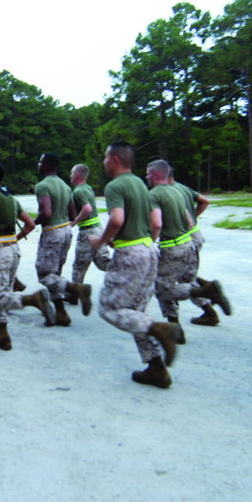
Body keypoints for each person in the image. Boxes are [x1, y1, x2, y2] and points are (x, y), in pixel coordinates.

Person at [92, 142, 182, 389]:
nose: (104, 162)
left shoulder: (115, 186)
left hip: (131, 253)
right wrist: (143, 246)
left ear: (115, 160)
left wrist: (100, 241)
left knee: (109, 309)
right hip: (149, 250)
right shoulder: (142, 185)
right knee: (135, 312)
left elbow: (117, 219)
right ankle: (156, 368)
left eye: (105, 157)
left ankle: (160, 329)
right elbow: (155, 224)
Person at [0, 162, 55, 349]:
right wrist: (14, 239)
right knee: (4, 291)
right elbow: (30, 224)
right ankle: (3, 335)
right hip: (13, 250)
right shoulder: (10, 198)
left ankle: (33, 300)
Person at [146, 160, 230, 335]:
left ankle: (179, 324)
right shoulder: (179, 190)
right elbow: (191, 218)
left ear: (157, 174)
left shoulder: (156, 194)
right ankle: (207, 311)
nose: (146, 177)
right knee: (184, 280)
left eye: (148, 174)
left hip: (173, 245)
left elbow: (156, 224)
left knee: (164, 287)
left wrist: (149, 243)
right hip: (190, 241)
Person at [34, 153, 90, 325]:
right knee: (55, 272)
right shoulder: (66, 186)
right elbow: (72, 214)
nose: (38, 164)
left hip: (52, 232)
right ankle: (61, 313)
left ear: (46, 165)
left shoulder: (43, 186)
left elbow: (47, 213)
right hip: (66, 230)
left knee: (44, 274)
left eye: (40, 161)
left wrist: (32, 222)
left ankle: (75, 289)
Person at [165, 166, 223, 326]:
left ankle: (207, 305)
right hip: (194, 235)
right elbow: (205, 201)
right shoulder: (183, 188)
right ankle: (207, 299)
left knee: (178, 280)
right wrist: (192, 218)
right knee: (185, 275)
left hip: (182, 237)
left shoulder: (168, 192)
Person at [68, 163, 110, 285]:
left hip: (87, 233)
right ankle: (127, 275)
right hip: (98, 230)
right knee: (104, 262)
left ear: (76, 176)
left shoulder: (78, 192)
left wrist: (75, 222)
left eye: (72, 173)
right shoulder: (88, 188)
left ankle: (75, 293)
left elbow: (87, 209)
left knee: (79, 266)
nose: (70, 176)